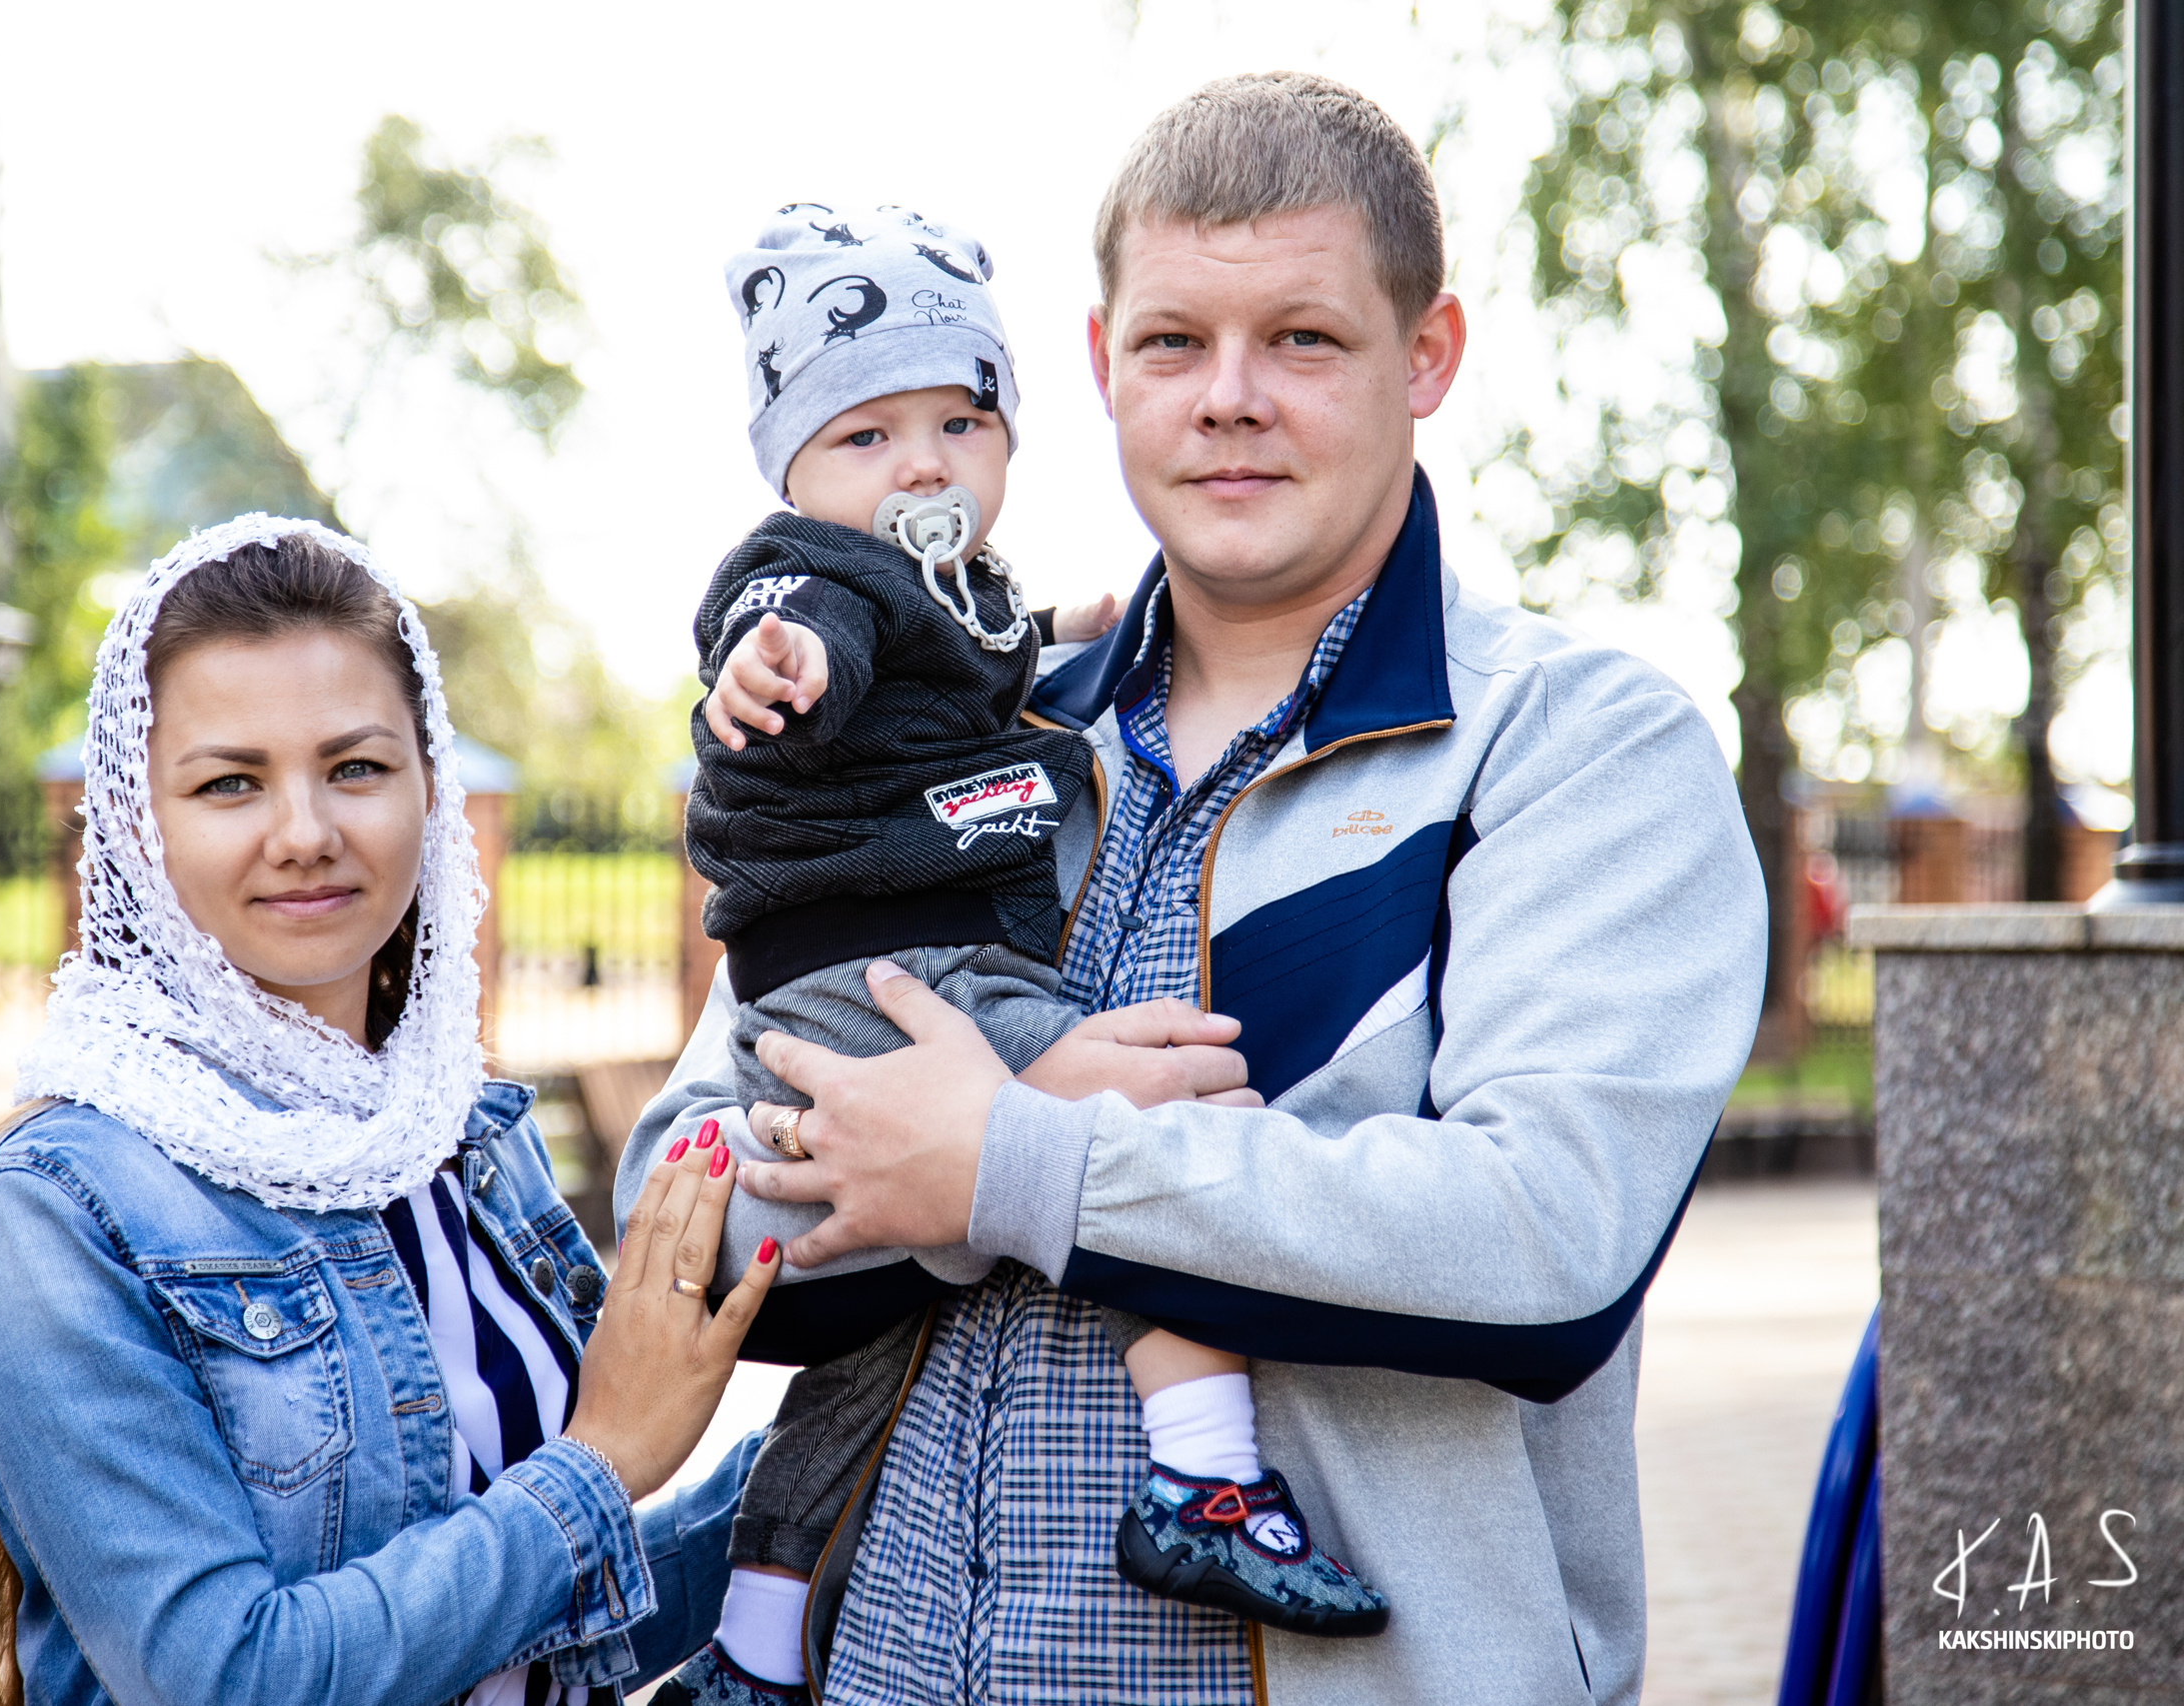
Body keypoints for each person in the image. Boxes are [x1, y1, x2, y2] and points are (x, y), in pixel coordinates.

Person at [643, 73, 1769, 1704]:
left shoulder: (1572, 747)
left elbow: (1545, 1243)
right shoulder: (934, 736)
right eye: (1174, 343)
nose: (1229, 398)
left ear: (1427, 355)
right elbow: (672, 1211)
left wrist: (1017, 1160)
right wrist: (946, 1178)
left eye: (1303, 339)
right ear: (1103, 365)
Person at [639, 204, 1387, 1706]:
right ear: (788, 468)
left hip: (889, 958)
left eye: (959, 421)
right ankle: (1205, 1478)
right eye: (865, 435)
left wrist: (1068, 629)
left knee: (856, 1378)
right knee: (1161, 1112)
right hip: (876, 961)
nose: (919, 463)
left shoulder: (974, 618)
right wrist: (1016, 1137)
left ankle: (754, 1650)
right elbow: (807, 633)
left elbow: (964, 647)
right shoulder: (804, 583)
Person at [0, 516, 777, 1706]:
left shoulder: (462, 1139)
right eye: (228, 783)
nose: (306, 834)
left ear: (432, 786)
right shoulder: (62, 1210)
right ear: (135, 827)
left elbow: (554, 1628)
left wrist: (813, 1458)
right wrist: (601, 1461)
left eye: (356, 767)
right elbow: (223, 1677)